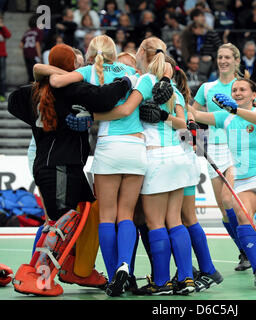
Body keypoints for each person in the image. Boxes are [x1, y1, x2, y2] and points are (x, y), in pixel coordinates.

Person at [8, 43, 134, 296]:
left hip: (58, 165)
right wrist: (126, 81)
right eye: (75, 64)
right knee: (60, 222)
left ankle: (79, 268)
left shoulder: (28, 93)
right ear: (69, 67)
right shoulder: (72, 90)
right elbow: (105, 97)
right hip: (59, 166)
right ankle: (37, 275)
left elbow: (12, 102)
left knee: (91, 212)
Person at [93, 37, 198, 296]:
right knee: (176, 220)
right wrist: (167, 115)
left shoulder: (144, 81)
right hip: (179, 156)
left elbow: (127, 109)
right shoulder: (171, 85)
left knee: (155, 224)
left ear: (142, 53)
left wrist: (92, 115)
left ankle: (161, 281)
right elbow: (185, 125)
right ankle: (186, 278)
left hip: (154, 156)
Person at [47, 35, 143, 297]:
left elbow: (54, 80)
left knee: (106, 216)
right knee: (127, 215)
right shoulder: (133, 72)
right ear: (116, 53)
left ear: (90, 55)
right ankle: (126, 265)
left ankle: (114, 276)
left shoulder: (87, 71)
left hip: (109, 147)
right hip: (137, 148)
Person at [188, 79, 256, 289]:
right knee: (242, 216)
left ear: (253, 94)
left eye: (243, 89)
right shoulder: (225, 117)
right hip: (242, 180)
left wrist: (234, 109)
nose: (237, 92)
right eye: (235, 90)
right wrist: (176, 97)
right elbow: (196, 115)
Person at [191, 42, 251, 272]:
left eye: (227, 57)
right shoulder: (207, 88)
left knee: (230, 200)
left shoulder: (243, 87)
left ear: (236, 60)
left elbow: (253, 115)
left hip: (238, 147)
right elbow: (192, 115)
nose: (223, 61)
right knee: (224, 209)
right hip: (213, 147)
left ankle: (248, 247)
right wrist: (193, 140)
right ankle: (244, 251)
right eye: (220, 57)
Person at [166, 56, 223, 291]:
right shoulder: (182, 98)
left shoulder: (175, 98)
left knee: (181, 219)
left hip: (177, 161)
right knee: (185, 218)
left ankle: (200, 270)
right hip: (184, 161)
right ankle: (196, 269)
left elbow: (186, 130)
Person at [20, 15, 43, 83]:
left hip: (26, 54)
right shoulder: (39, 31)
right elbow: (37, 43)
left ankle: (30, 88)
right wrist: (39, 56)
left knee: (30, 73)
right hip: (34, 54)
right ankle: (36, 90)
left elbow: (21, 45)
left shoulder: (27, 32)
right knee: (37, 74)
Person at [0, 15, 10, 102]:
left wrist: (3, 27)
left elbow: (8, 35)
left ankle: (2, 95)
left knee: (2, 76)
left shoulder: (2, 30)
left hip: (2, 55)